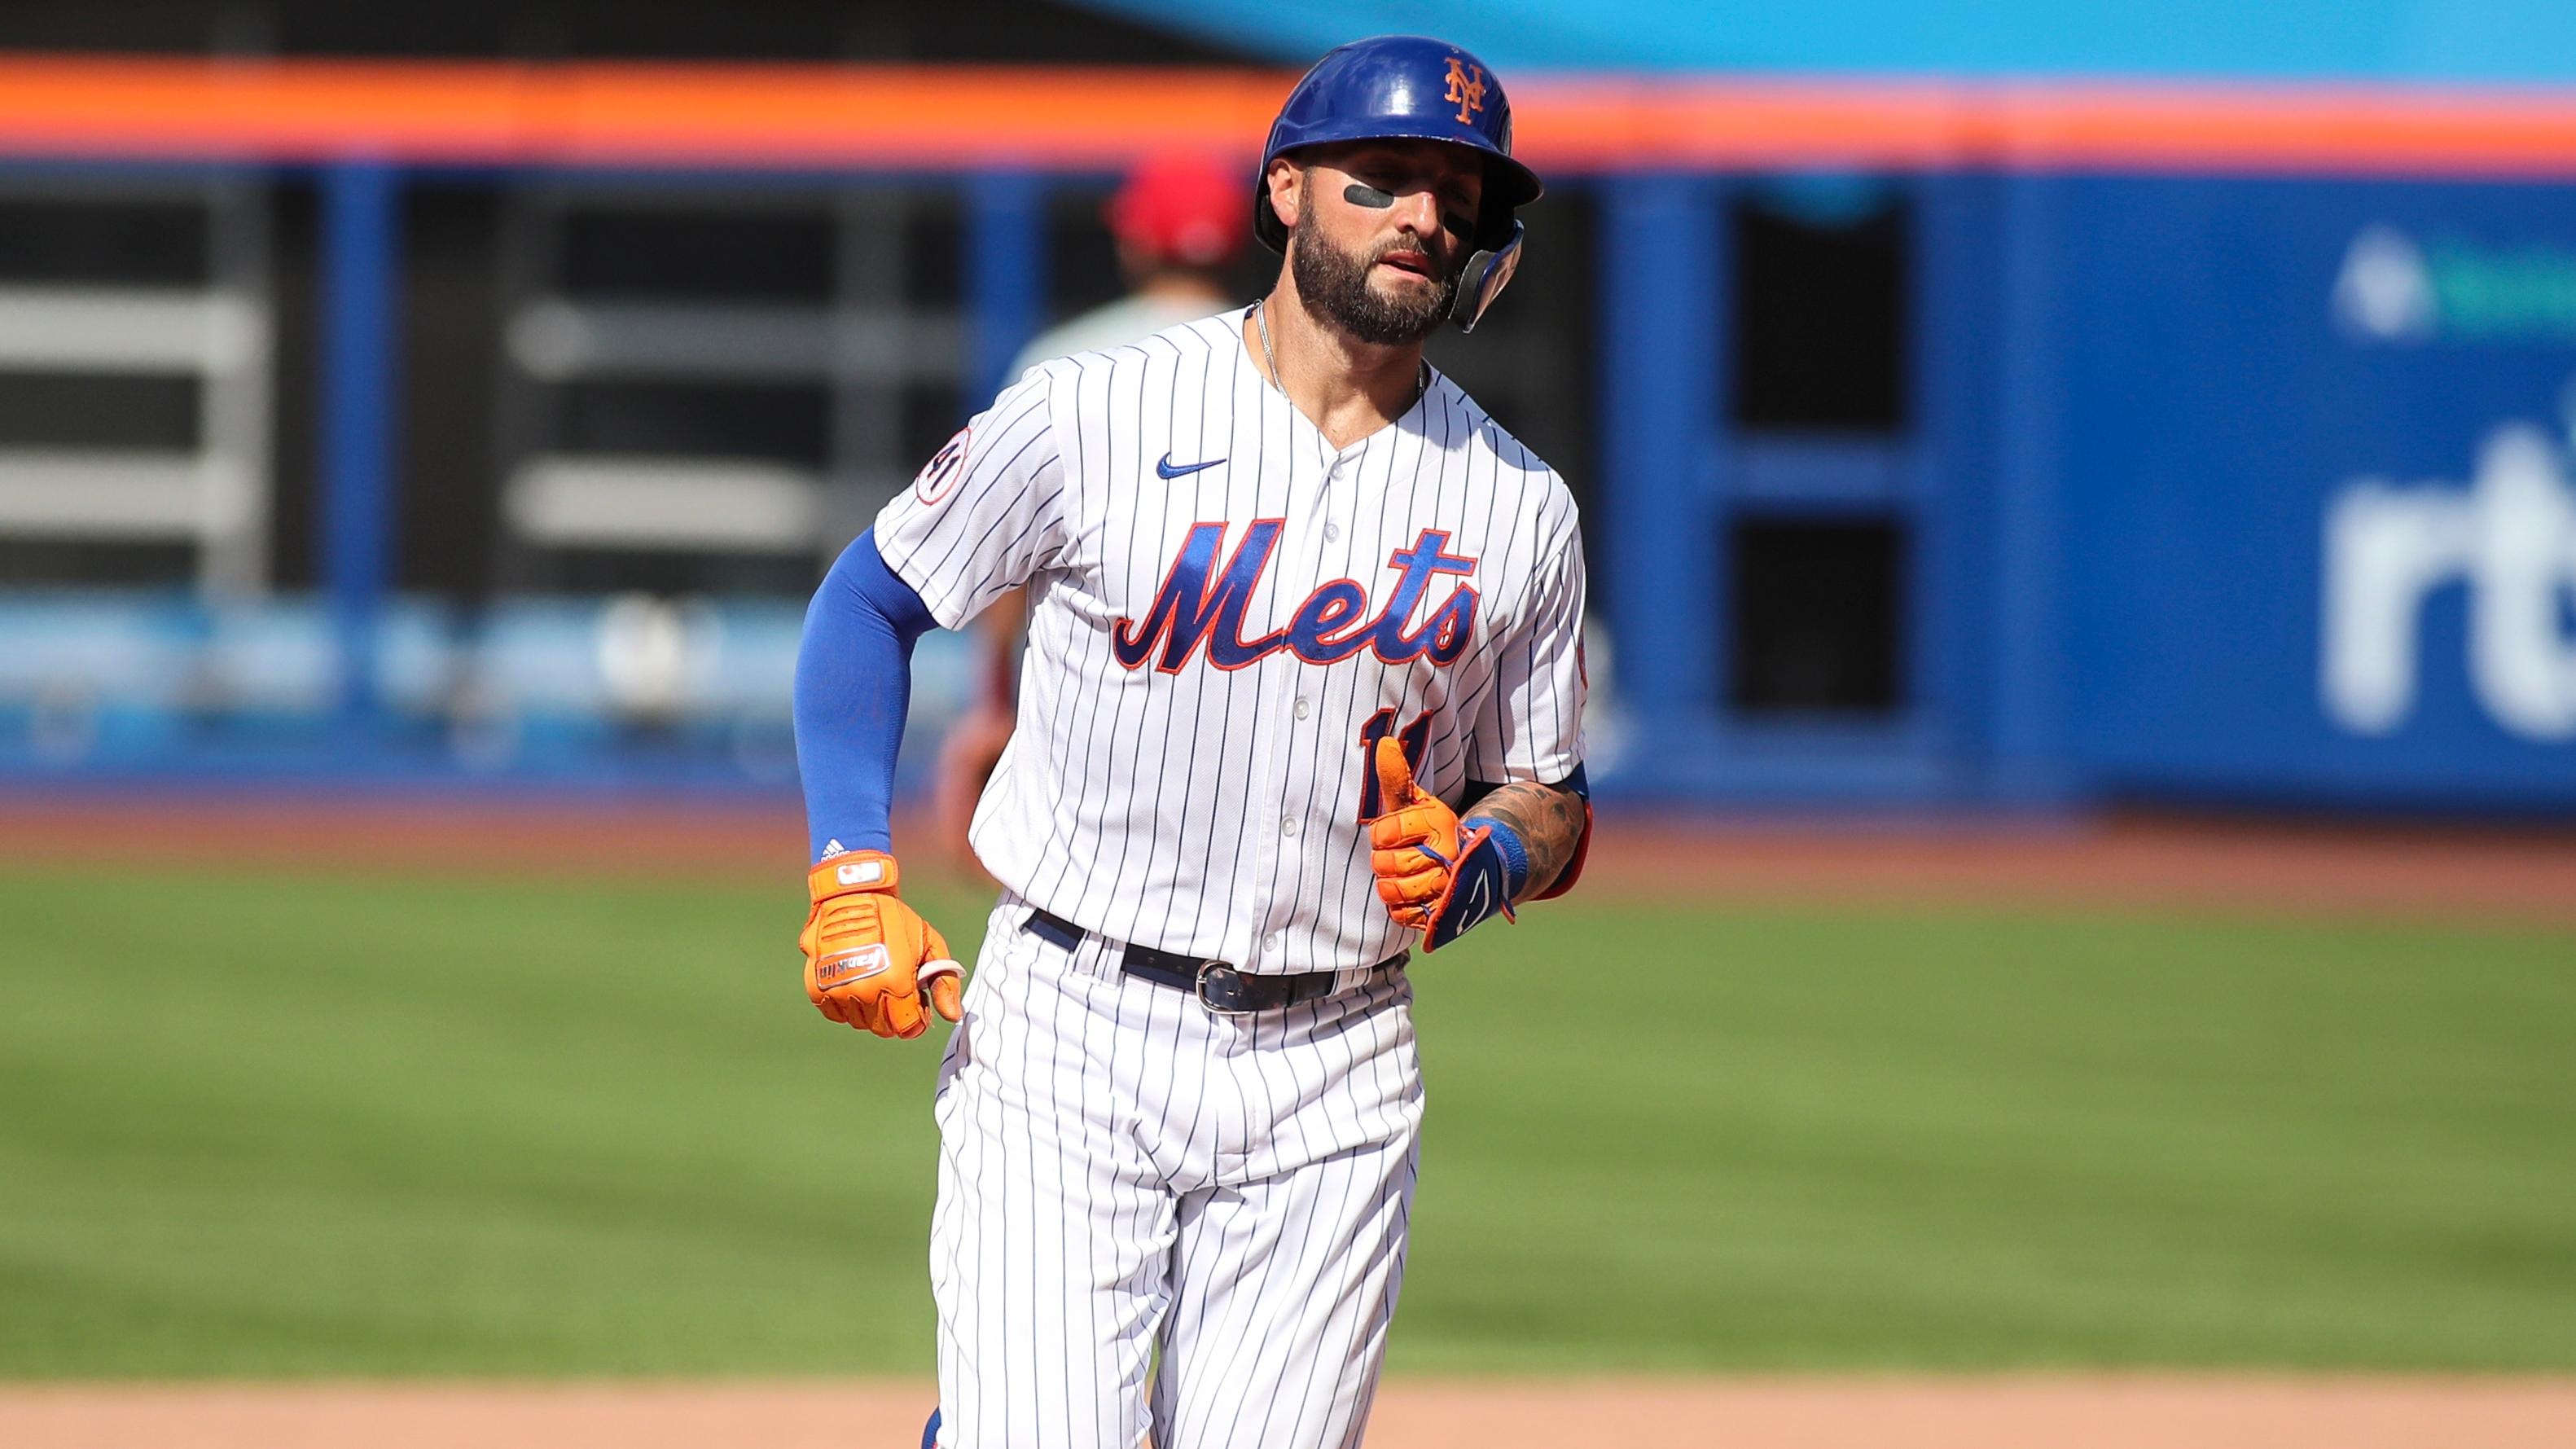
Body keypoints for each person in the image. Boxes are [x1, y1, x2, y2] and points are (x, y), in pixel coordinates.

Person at [791, 33, 1591, 1449]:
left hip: (1336, 1058)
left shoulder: (1519, 509)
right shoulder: (1094, 410)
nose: (1422, 213)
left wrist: (1488, 854)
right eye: (1384, 176)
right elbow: (867, 600)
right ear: (1284, 188)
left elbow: (1550, 797)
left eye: (1455, 192)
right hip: (1070, 1024)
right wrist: (850, 870)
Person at [933, 151, 1252, 872]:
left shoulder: (1065, 360)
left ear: (1134, 243)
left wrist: (991, 699)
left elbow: (1006, 564)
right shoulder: (1293, 366)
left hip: (1095, 691)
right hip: (1249, 678)